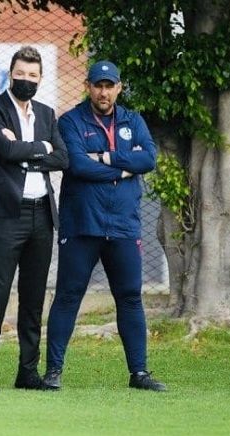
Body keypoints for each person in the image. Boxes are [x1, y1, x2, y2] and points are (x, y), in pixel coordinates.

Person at [44, 60, 166, 392]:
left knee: (129, 298)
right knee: (68, 297)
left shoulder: (133, 120)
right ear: (88, 86)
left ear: (119, 88)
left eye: (109, 85)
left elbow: (149, 159)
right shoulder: (70, 121)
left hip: (124, 226)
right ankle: (53, 371)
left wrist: (106, 157)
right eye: (98, 85)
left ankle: (138, 374)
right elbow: (78, 166)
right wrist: (125, 166)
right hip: (83, 224)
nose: (103, 91)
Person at [0, 46, 69, 391]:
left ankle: (28, 373)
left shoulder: (46, 113)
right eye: (21, 74)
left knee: (33, 296)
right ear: (10, 74)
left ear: (40, 79)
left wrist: (32, 152)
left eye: (33, 76)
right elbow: (6, 150)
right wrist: (40, 148)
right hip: (4, 216)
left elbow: (63, 158)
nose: (26, 80)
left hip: (42, 213)